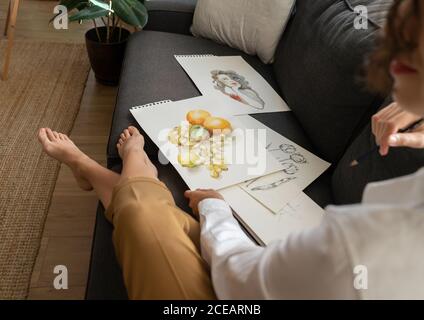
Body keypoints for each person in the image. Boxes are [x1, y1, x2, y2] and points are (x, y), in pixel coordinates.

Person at [38, 0, 424, 299]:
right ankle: (107, 171)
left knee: (142, 214)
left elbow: (242, 282)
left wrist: (215, 208)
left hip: (244, 284)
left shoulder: (379, 236)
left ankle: (113, 168)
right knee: (151, 216)